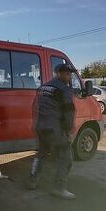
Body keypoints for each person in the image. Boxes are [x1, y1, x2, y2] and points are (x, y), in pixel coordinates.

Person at [29, 63, 76, 200]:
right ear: (59, 74)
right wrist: (69, 127)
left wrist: (35, 123)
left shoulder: (43, 87)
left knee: (41, 154)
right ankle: (59, 188)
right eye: (67, 74)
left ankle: (32, 180)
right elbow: (68, 111)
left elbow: (34, 106)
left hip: (40, 126)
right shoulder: (64, 89)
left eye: (70, 74)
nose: (69, 76)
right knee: (66, 156)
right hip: (54, 128)